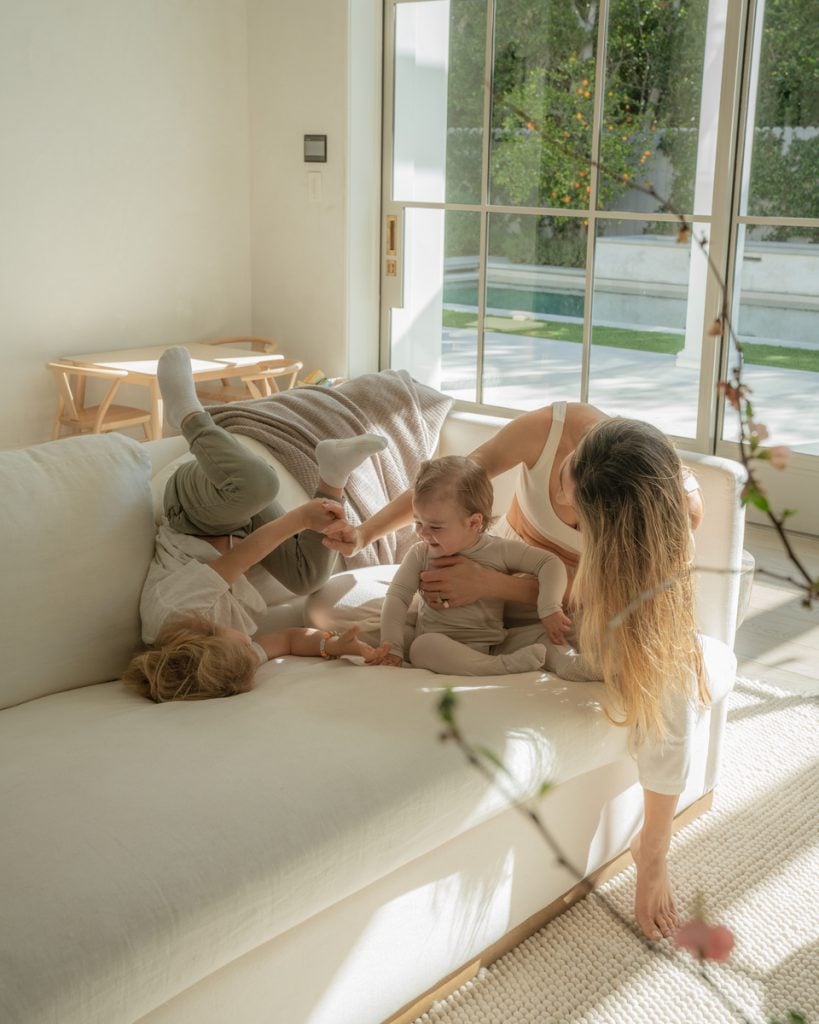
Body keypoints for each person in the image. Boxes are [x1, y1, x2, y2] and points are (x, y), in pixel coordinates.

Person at [323, 401, 707, 942]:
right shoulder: (550, 430)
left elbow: (631, 606)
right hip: (503, 594)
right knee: (333, 612)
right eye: (567, 479)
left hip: (570, 609)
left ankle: (654, 849)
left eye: (578, 513)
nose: (562, 499)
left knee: (669, 684)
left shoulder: (670, 511)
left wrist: (492, 586)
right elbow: (446, 487)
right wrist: (364, 536)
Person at [131, 346, 389, 697]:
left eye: (243, 647)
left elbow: (239, 561)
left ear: (204, 639)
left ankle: (188, 415)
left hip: (194, 514)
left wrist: (300, 518)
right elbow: (286, 640)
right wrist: (334, 646)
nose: (249, 645)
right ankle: (331, 476)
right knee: (308, 578)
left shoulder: (173, 613)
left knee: (259, 485)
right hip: (240, 530)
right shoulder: (225, 663)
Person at [365, 455, 570, 675]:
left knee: (546, 634)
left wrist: (550, 607)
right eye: (418, 522)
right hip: (443, 644)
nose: (422, 533)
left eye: (434, 527)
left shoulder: (499, 550)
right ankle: (498, 667)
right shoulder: (420, 555)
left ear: (474, 523)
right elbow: (397, 597)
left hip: (495, 644)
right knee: (421, 647)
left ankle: (571, 664)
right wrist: (392, 646)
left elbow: (549, 563)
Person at [125, 615, 381, 703]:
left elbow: (290, 638)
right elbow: (287, 638)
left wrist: (333, 645)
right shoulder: (237, 661)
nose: (250, 640)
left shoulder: (230, 657)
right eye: (245, 645)